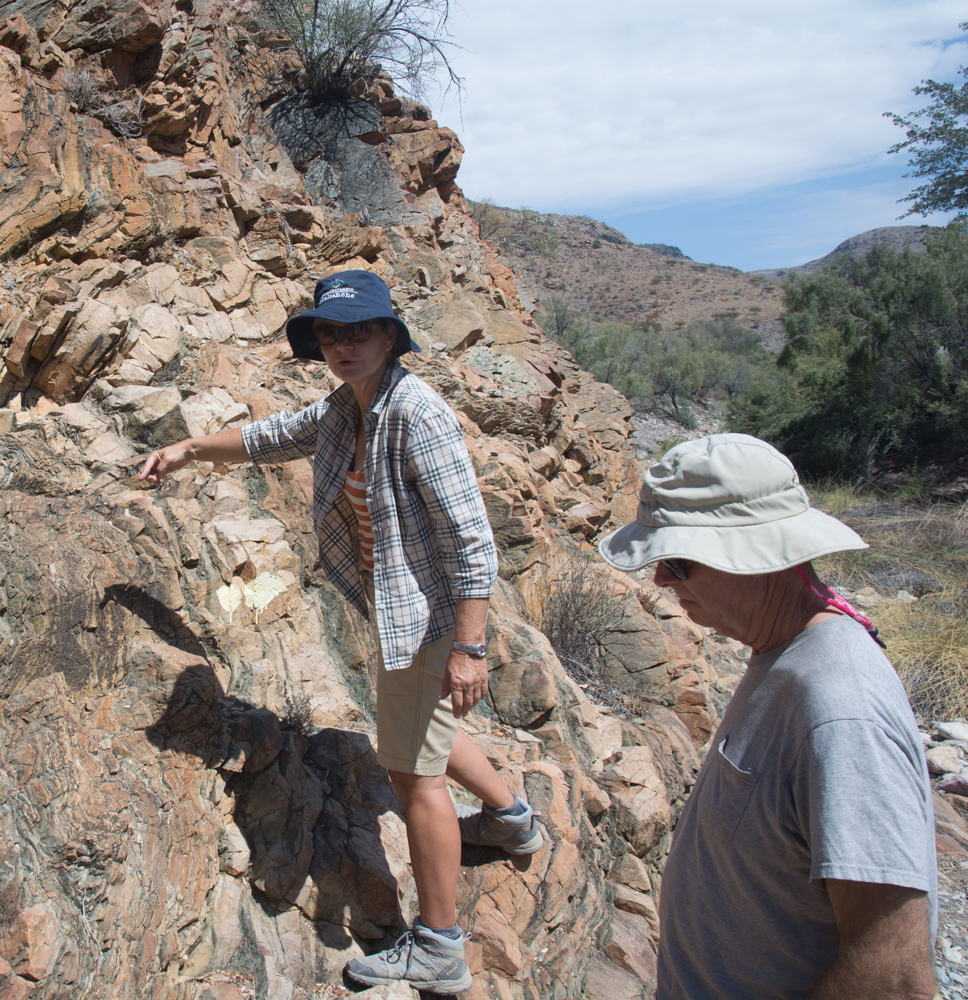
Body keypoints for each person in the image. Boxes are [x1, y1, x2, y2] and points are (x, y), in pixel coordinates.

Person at [134, 270, 545, 993]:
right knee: (424, 730)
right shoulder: (347, 409)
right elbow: (269, 436)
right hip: (405, 616)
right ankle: (512, 821)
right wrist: (190, 450)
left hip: (433, 622)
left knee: (412, 777)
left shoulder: (416, 414)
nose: (344, 344)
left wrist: (470, 647)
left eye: (360, 330)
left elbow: (475, 543)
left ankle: (441, 948)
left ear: (390, 336)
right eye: (331, 332)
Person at [597, 434, 938, 1000]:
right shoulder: (782, 651)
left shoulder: (840, 712)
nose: (660, 579)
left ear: (758, 555)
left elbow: (893, 979)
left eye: (678, 561)